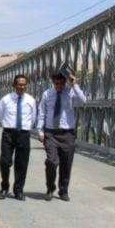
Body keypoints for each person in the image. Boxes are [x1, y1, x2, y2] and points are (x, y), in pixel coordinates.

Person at [36, 70, 86, 201]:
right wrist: (40, 132)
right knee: (52, 162)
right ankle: (50, 188)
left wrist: (74, 85)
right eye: (56, 83)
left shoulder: (71, 93)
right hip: (51, 133)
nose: (59, 86)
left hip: (67, 133)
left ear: (65, 83)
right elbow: (41, 113)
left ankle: (63, 190)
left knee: (66, 163)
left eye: (61, 83)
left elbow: (82, 101)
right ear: (53, 82)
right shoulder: (47, 94)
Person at [0, 74, 37, 200]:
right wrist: (9, 126)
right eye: (19, 84)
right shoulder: (5, 99)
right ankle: (4, 186)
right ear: (14, 85)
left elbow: (33, 117)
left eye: (24, 85)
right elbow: (1, 116)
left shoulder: (30, 100)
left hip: (23, 134)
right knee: (5, 161)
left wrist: (25, 128)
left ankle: (18, 190)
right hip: (8, 133)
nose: (22, 87)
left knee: (22, 163)